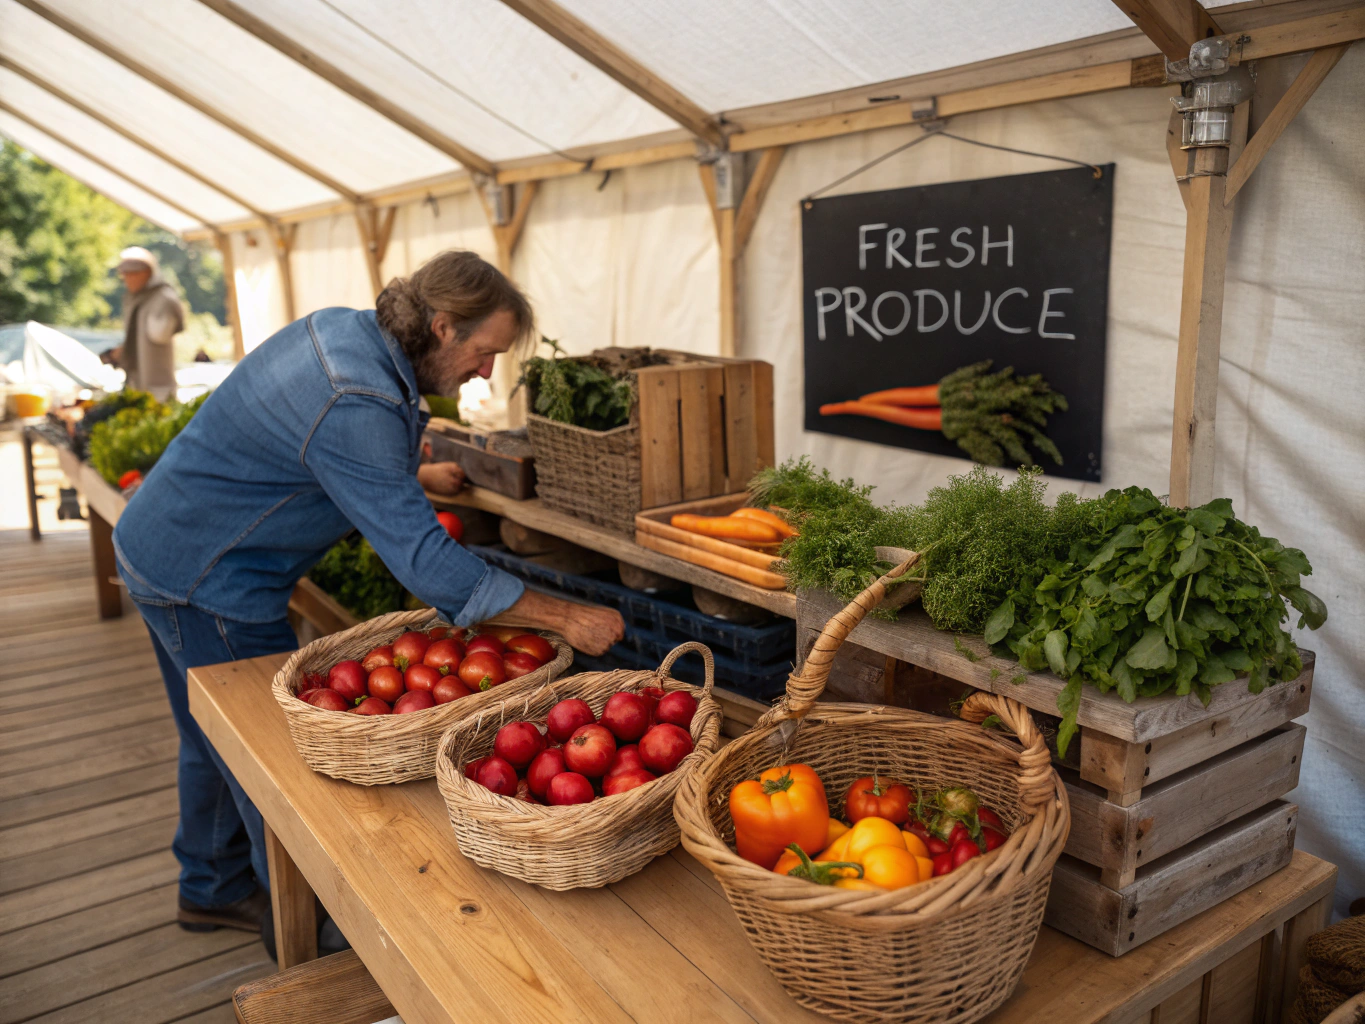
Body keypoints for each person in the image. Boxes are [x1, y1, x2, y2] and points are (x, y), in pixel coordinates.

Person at [112, 250, 625, 937]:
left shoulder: (346, 332)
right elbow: (430, 568)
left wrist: (408, 467)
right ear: (442, 326)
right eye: (484, 351)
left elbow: (312, 432)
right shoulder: (359, 399)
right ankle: (314, 940)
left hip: (162, 544)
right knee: (271, 770)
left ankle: (210, 884)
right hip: (210, 583)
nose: (486, 371)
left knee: (210, 735)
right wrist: (568, 618)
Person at [111, 245, 185, 401]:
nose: (126, 279)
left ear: (146, 273)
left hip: (159, 388)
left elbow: (159, 335)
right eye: (124, 274)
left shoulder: (164, 298)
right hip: (135, 383)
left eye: (131, 274)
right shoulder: (135, 299)